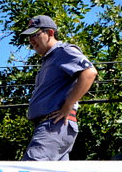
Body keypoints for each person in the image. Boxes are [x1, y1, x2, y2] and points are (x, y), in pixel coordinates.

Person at [20, 15, 97, 161]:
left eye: (34, 35)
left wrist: (67, 105)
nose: (31, 41)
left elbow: (89, 73)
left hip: (53, 126)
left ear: (49, 33)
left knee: (30, 171)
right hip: (54, 127)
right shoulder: (50, 58)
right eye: (28, 37)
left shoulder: (63, 51)